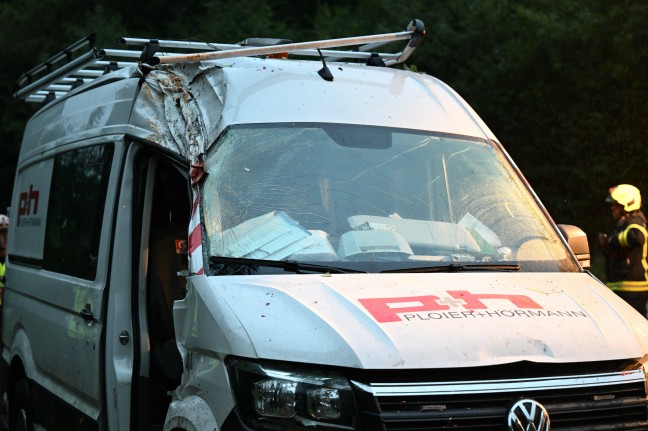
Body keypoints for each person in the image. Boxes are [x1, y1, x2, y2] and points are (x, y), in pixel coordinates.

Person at [598, 184, 648, 317]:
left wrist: (611, 241)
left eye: (616, 205)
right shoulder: (623, 223)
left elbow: (637, 236)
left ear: (626, 205)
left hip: (632, 289)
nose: (612, 208)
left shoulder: (635, 222)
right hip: (621, 287)